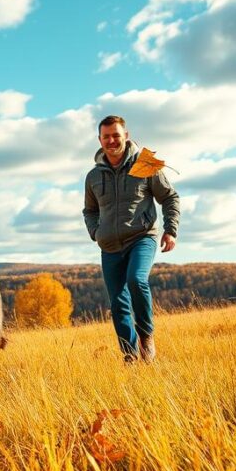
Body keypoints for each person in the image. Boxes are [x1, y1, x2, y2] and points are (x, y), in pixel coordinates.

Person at [83, 115, 180, 362]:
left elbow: (169, 197)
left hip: (141, 237)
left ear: (126, 135)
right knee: (118, 303)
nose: (112, 141)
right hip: (110, 246)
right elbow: (90, 210)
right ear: (100, 140)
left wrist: (170, 229)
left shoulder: (145, 165)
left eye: (116, 135)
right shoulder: (93, 176)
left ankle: (146, 338)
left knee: (136, 280)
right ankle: (130, 355)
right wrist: (96, 231)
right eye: (106, 137)